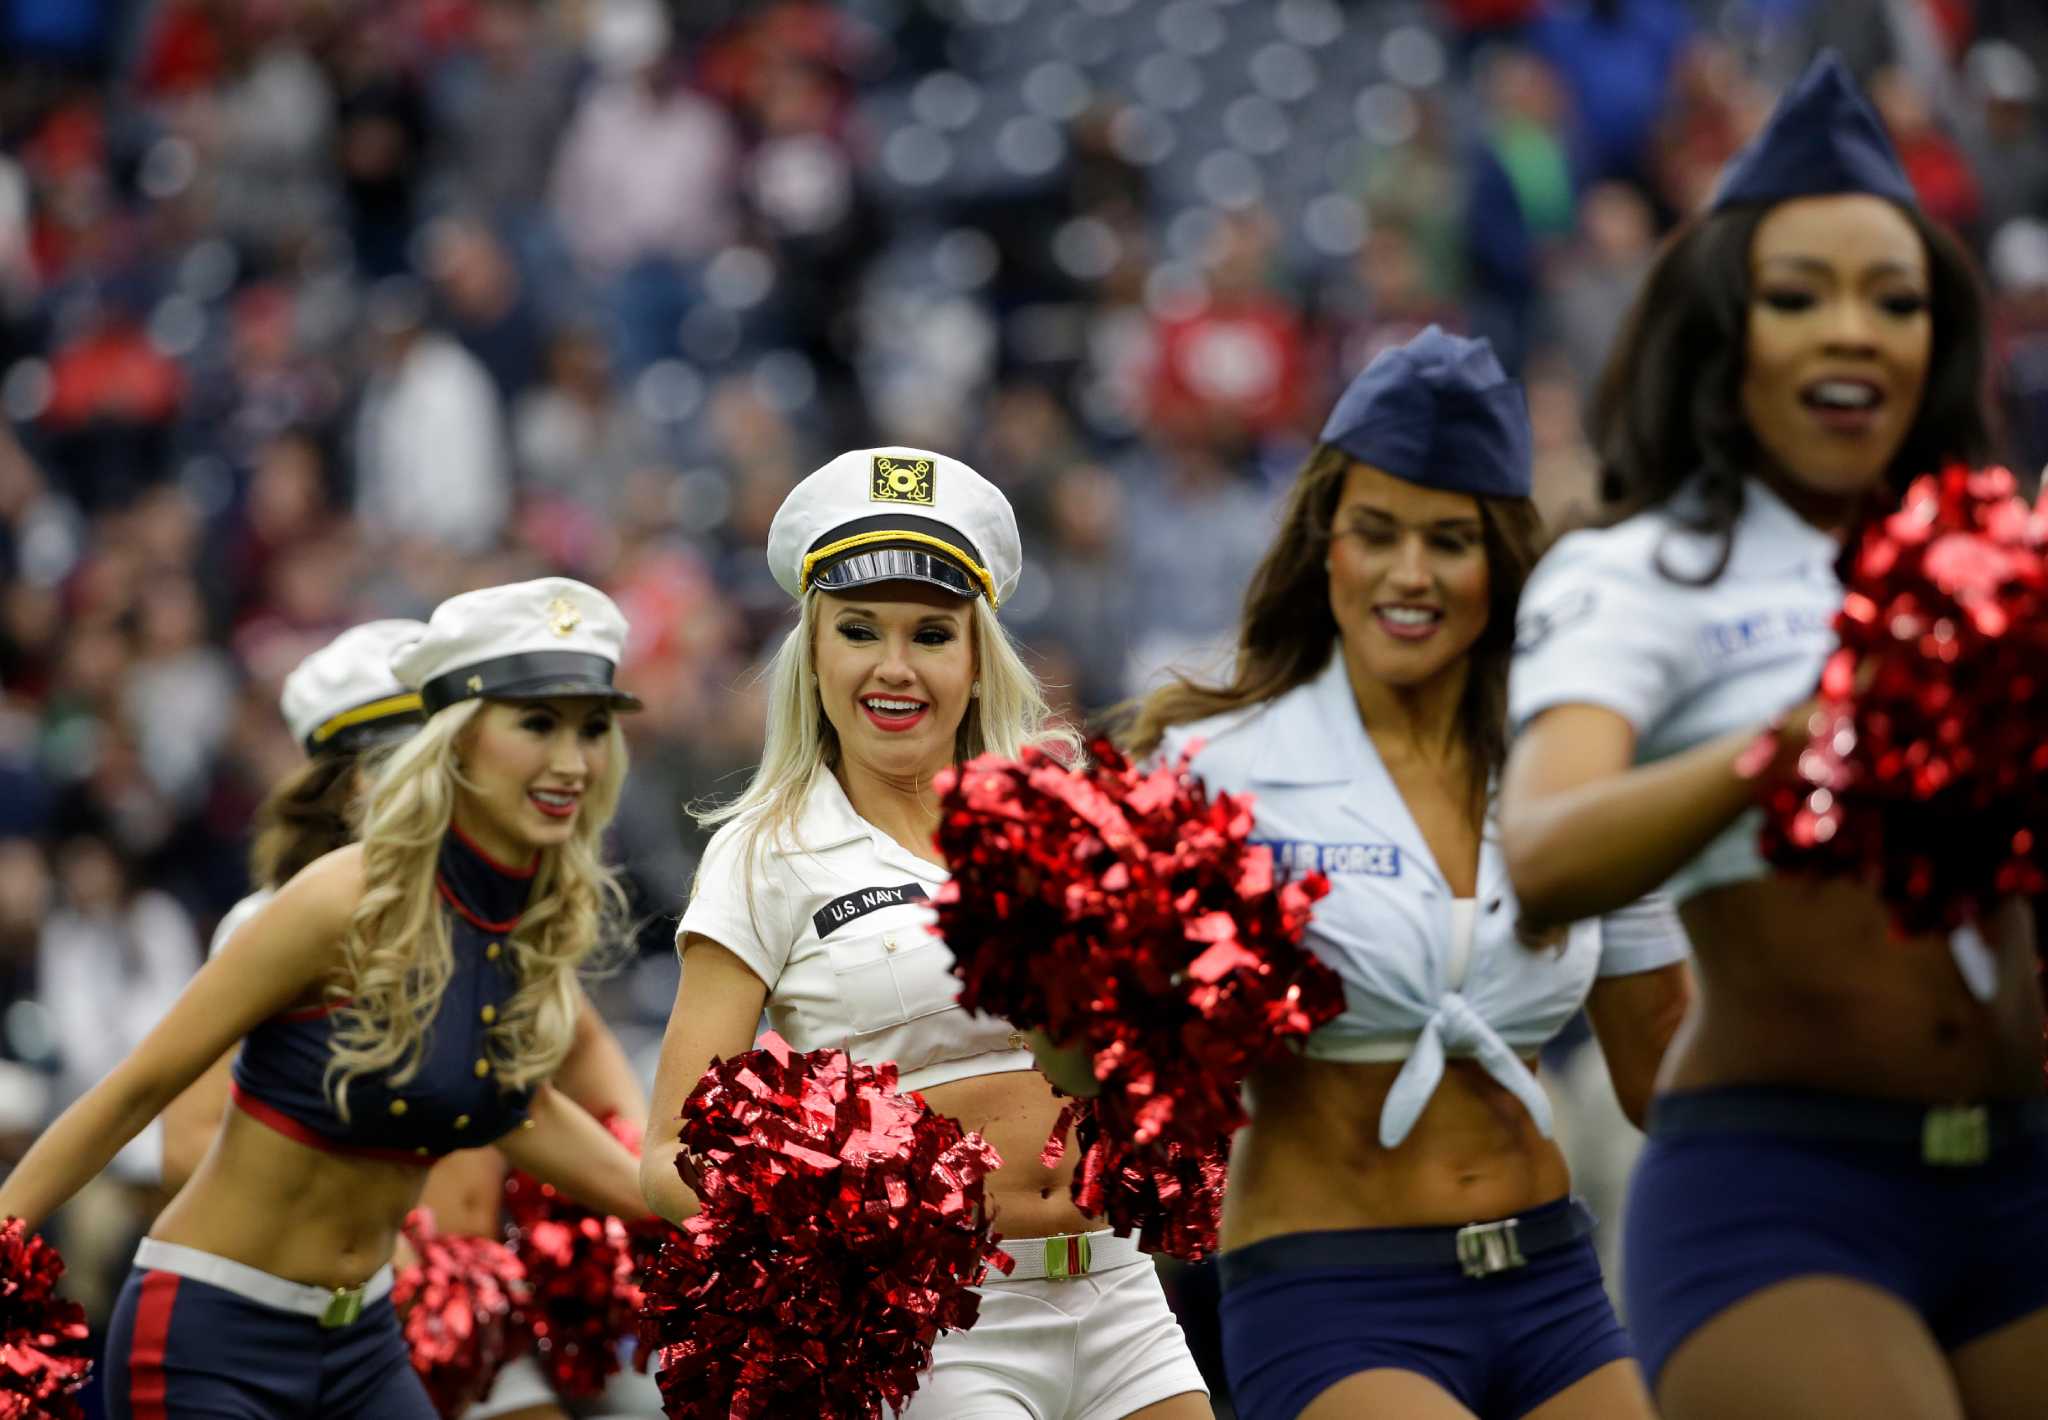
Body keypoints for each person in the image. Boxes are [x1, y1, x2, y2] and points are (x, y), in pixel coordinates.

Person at [1500, 53, 2048, 1420]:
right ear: (1719, 331)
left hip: (2023, 1175)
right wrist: (1803, 731)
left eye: (1895, 299)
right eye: (1797, 299)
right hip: (1787, 1192)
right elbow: (1550, 854)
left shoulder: (1998, 558)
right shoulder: (1640, 573)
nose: (1852, 331)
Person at [1118, 327, 1691, 1420]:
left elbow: (1661, 1067)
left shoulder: (1568, 760)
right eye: (1374, 533)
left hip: (1554, 1283)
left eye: (1448, 539)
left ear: (1500, 560)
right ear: (1322, 542)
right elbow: (1123, 1077)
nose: (1408, 574)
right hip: (1332, 1295)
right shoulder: (1214, 766)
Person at [640, 448, 1211, 1419]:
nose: (892, 667)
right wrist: (824, 1224)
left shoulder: (1059, 816)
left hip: (1120, 1291)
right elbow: (664, 1156)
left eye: (930, 634)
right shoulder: (764, 850)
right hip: (941, 1328)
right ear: (812, 653)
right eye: (857, 630)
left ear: (974, 655)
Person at [0, 577, 651, 1420]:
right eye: (538, 724)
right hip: (212, 1334)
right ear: (452, 744)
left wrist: (753, 1213)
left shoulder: (522, 921)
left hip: (364, 1342)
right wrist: (6, 1232)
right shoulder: (333, 901)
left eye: (594, 729)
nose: (573, 761)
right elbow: (141, 1089)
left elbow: (520, 1110)